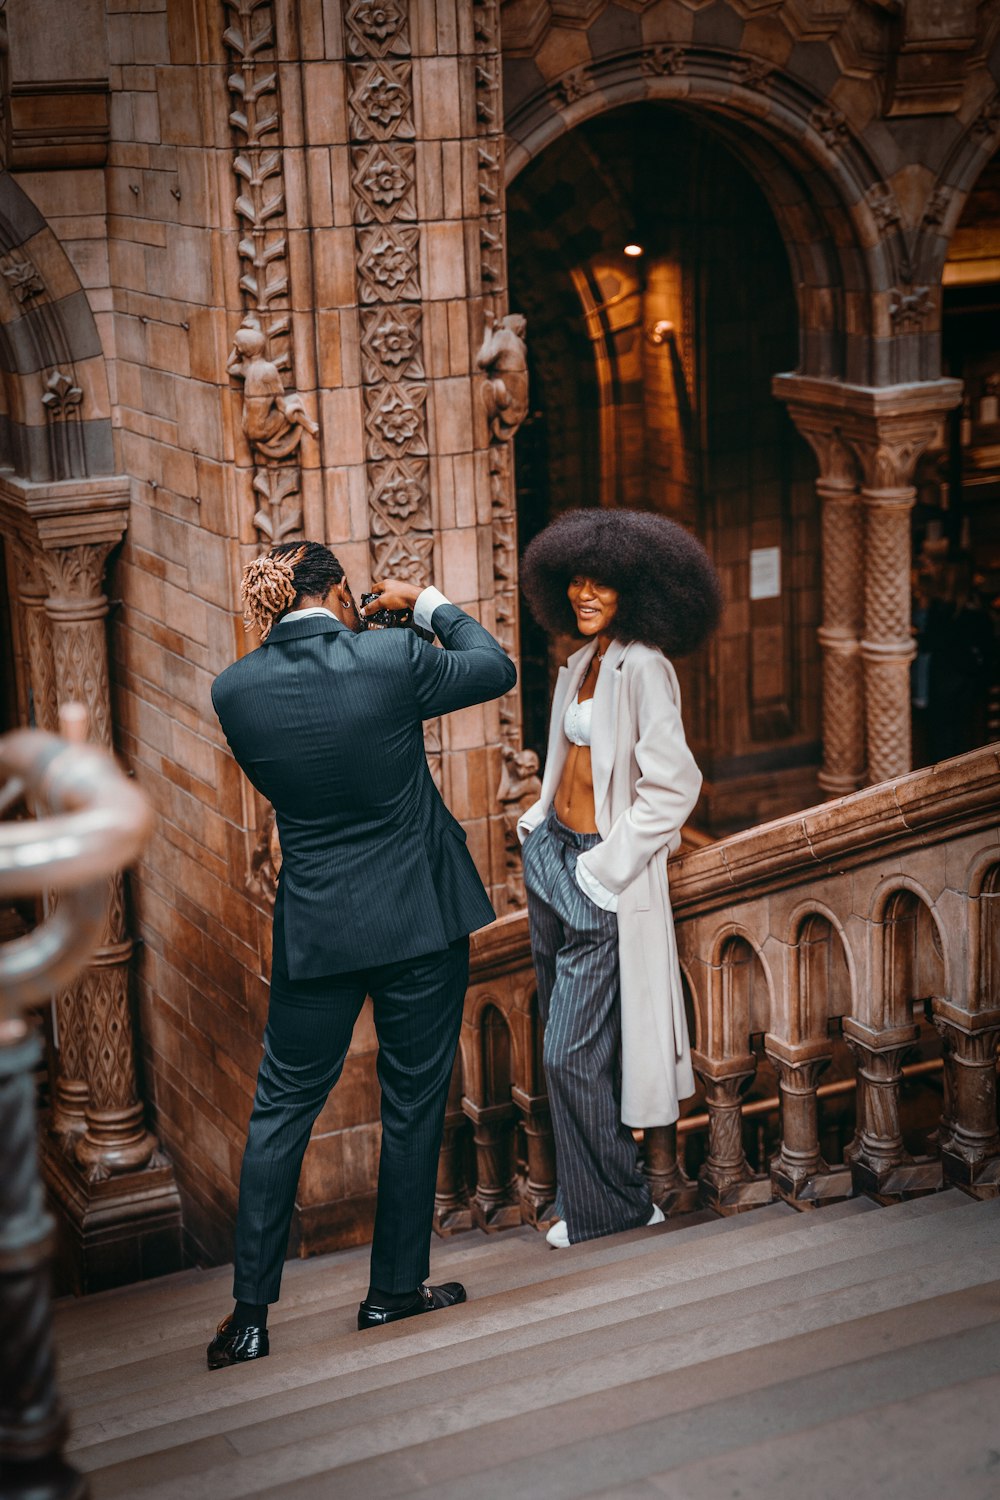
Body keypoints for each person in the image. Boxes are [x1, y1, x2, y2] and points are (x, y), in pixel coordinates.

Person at [207, 540, 516, 1366]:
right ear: (340, 589)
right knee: (412, 1105)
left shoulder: (233, 692)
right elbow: (494, 667)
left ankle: (247, 1319)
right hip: (417, 918)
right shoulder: (391, 655)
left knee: (280, 1113)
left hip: (318, 932)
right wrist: (422, 605)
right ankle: (391, 1294)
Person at [517, 508, 720, 1247]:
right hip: (553, 854)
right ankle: (591, 1199)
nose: (584, 592)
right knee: (572, 1047)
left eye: (601, 581)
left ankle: (619, 1205)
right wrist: (539, 824)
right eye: (574, 578)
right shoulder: (582, 661)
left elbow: (673, 785)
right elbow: (569, 760)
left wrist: (606, 869)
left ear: (637, 588)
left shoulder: (645, 666)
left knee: (568, 1053)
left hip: (598, 872)